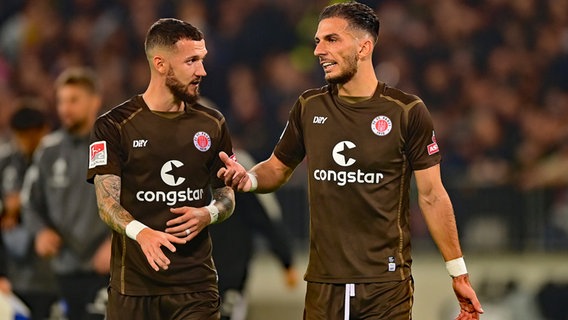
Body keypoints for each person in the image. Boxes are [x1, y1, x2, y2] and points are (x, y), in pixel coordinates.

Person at [217, 2, 484, 320]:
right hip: (323, 285)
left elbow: (432, 195)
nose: (319, 50)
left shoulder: (406, 112)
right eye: (317, 41)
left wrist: (458, 273)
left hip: (385, 286)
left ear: (364, 47)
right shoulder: (308, 107)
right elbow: (277, 166)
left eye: (331, 39)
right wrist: (251, 179)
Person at [86, 18, 236, 320]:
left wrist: (210, 213)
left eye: (202, 60)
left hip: (196, 286)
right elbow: (106, 204)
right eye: (191, 61)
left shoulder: (212, 123)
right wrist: (143, 234)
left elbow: (226, 194)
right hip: (134, 288)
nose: (202, 71)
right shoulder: (113, 126)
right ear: (161, 64)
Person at [20, 67, 111, 320]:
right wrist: (40, 231)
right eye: (61, 101)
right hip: (59, 271)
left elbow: (137, 201)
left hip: (103, 270)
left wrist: (117, 241)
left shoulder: (114, 147)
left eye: (73, 100)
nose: (65, 108)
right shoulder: (49, 150)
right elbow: (30, 202)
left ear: (95, 101)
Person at [210, 148, 299, 320]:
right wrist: (287, 261)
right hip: (220, 269)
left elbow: (264, 217)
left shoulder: (238, 166)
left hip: (226, 270)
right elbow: (266, 216)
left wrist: (286, 258)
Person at [0, 104, 60, 320]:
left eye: (32, 136)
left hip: (52, 269)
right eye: (21, 136)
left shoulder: (58, 160)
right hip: (12, 271)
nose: (27, 142)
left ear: (45, 131)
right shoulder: (5, 163)